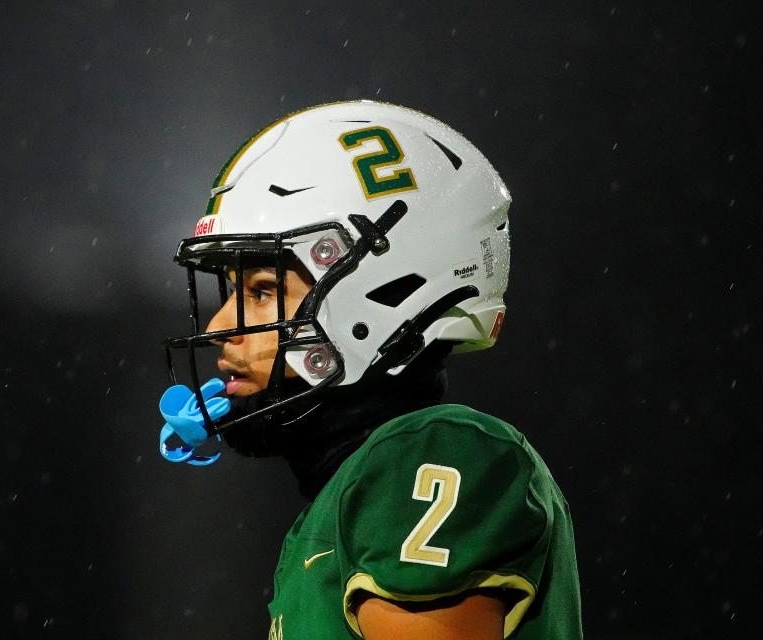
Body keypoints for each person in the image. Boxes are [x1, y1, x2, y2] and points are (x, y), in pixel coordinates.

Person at [157, 101, 583, 639]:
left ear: (378, 296)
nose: (224, 324)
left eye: (262, 291)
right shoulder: (346, 492)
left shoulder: (429, 451)